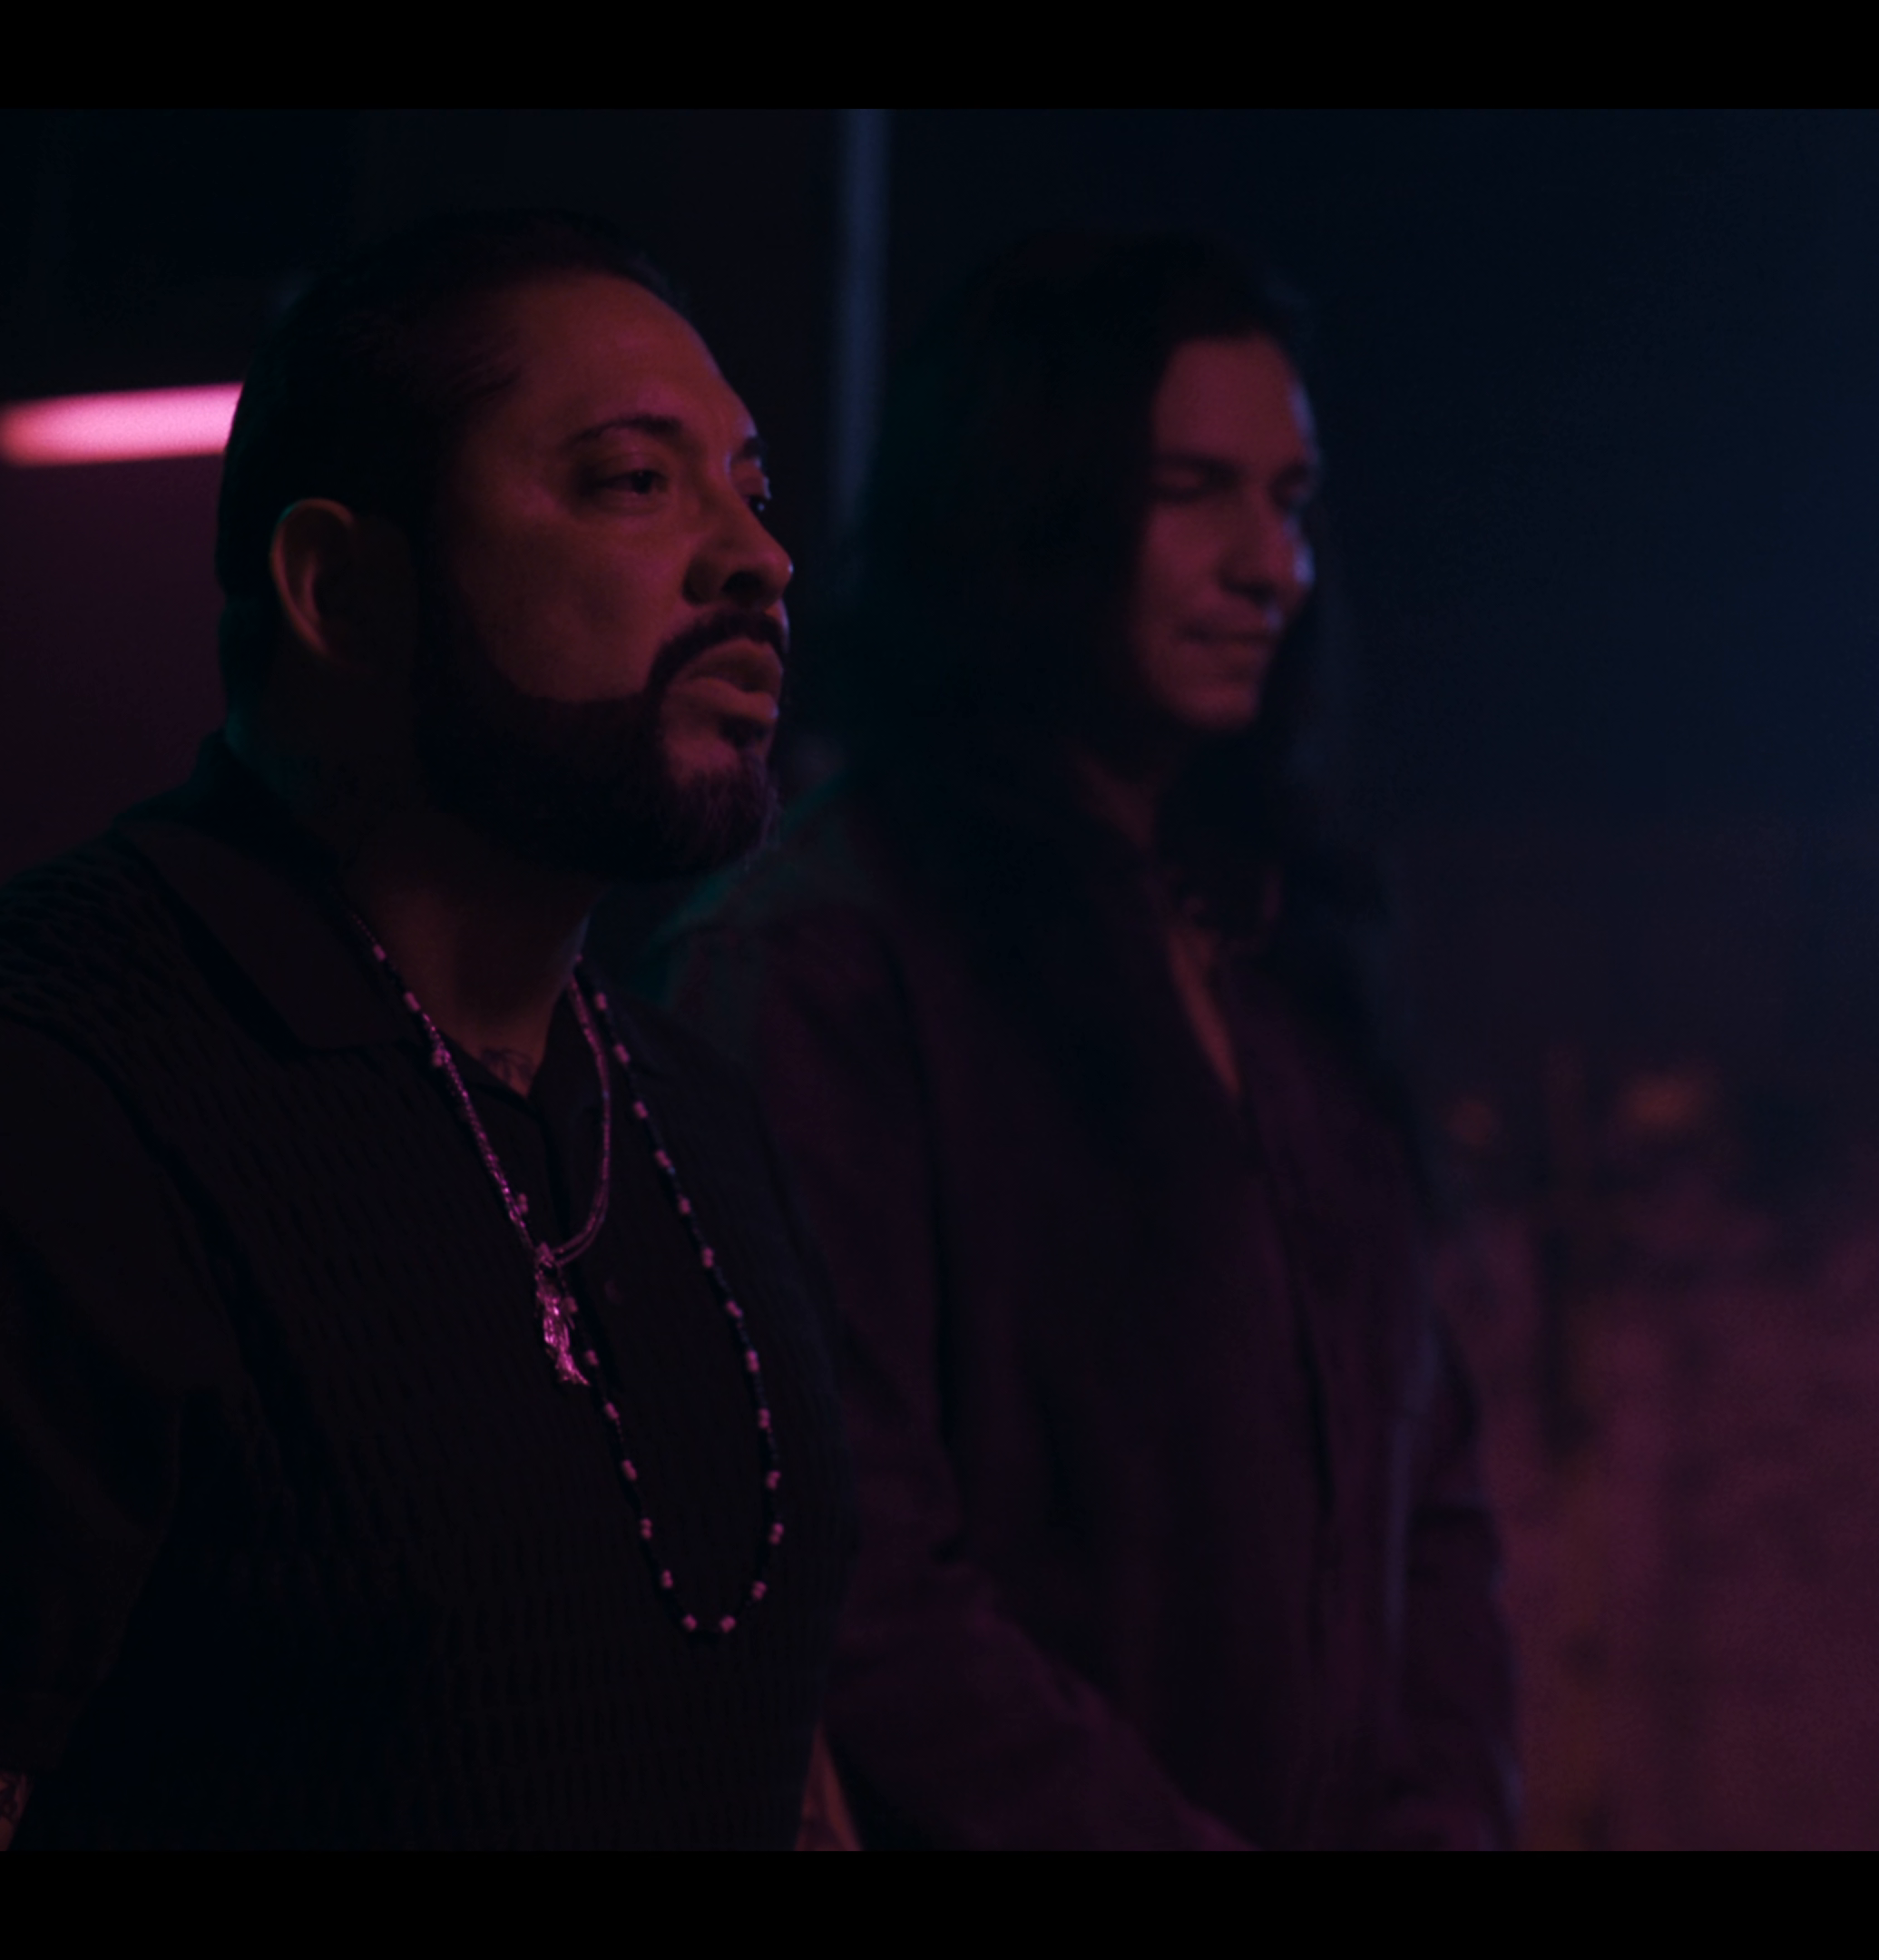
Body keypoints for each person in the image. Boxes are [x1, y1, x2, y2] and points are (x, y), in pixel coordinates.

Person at [0, 212, 857, 1849]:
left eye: (752, 487)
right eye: (634, 481)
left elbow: (760, 1745)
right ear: (341, 591)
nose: (757, 558)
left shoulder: (686, 1115)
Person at [643, 233, 1517, 1849]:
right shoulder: (832, 961)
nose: (1272, 567)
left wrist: (1448, 1820)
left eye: (1293, 501)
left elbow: (1432, 1493)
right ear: (1028, 507)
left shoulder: (1282, 946)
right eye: (1194, 491)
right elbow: (853, 1565)